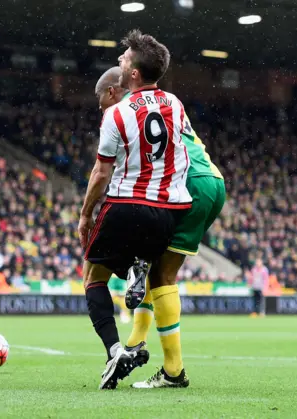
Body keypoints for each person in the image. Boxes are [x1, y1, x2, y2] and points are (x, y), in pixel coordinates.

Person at [94, 62, 226, 389]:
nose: (102, 110)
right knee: (156, 270)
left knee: (160, 274)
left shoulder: (127, 114)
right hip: (211, 179)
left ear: (115, 93)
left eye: (103, 102)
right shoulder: (167, 104)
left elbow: (120, 170)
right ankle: (136, 341)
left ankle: (172, 371)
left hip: (185, 184)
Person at [78, 30, 193, 390]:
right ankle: (136, 269)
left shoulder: (116, 113)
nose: (119, 61)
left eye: (124, 59)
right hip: (167, 210)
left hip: (126, 203)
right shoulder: (175, 104)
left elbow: (101, 172)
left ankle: (115, 349)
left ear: (133, 75)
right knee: (154, 271)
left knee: (93, 278)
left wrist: (85, 213)